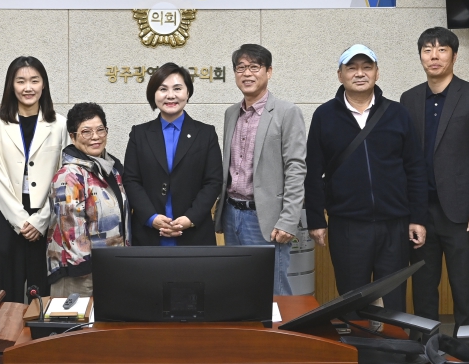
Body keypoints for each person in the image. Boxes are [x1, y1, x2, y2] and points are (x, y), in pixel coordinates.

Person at [305, 44, 427, 312]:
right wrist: (315, 219)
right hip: (347, 225)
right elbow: (312, 171)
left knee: (393, 301)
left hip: (394, 223)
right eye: (352, 68)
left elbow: (415, 168)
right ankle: (357, 340)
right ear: (340, 75)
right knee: (352, 300)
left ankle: (393, 341)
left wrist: (418, 217)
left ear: (377, 73)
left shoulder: (397, 113)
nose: (359, 73)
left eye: (366, 67)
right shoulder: (324, 115)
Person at [400, 27, 469, 340]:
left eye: (442, 49)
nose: (434, 56)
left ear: (454, 56)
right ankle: (424, 350)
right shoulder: (409, 98)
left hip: (462, 214)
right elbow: (406, 157)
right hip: (420, 213)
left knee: (465, 290)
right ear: (420, 56)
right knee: (423, 289)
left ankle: (467, 352)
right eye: (427, 49)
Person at [214, 44, 306, 296]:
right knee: (238, 287)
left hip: (266, 218)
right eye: (241, 68)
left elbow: (296, 168)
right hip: (232, 214)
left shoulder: (287, 112)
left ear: (269, 72)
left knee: (274, 291)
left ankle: (278, 325)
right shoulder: (231, 113)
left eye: (254, 67)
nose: (247, 73)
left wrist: (288, 220)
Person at [0, 56, 69, 302]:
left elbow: (63, 177)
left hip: (46, 219)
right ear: (11, 85)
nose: (28, 87)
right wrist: (21, 221)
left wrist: (40, 220)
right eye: (20, 81)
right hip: (7, 217)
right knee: (6, 295)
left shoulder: (60, 124)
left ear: (44, 84)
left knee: (42, 295)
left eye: (34, 80)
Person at [123, 63, 222, 246]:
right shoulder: (139, 134)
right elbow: (131, 180)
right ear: (154, 94)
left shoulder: (206, 133)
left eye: (177, 88)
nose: (170, 95)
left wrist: (190, 218)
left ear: (188, 93)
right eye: (163, 89)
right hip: (149, 234)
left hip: (194, 234)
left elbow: (213, 182)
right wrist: (151, 217)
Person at [47, 102, 131, 297]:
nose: (95, 137)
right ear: (73, 136)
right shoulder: (69, 175)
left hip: (109, 269)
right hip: (80, 275)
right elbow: (71, 231)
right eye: (86, 132)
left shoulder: (112, 169)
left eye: (100, 130)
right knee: (78, 318)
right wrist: (87, 270)